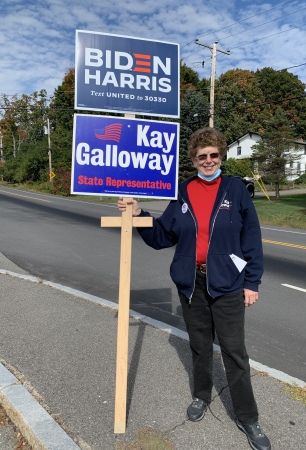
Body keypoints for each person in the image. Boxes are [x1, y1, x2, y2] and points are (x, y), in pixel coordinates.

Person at [118, 127, 271, 450]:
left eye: (213, 154)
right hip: (192, 284)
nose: (208, 160)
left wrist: (252, 282)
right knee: (200, 347)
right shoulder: (183, 192)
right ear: (193, 159)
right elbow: (163, 236)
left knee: (234, 352)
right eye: (202, 156)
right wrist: (139, 213)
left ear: (221, 156)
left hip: (228, 284)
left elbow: (252, 240)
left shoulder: (235, 189)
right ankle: (202, 396)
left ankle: (248, 417)